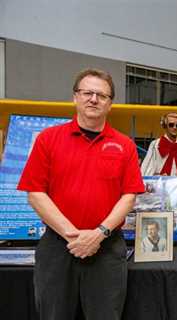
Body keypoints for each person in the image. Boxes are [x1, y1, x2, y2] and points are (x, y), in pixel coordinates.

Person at [17, 68, 145, 320]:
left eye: (102, 95)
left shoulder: (125, 145)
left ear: (110, 104)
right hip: (57, 247)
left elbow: (129, 196)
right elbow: (35, 193)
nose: (94, 99)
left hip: (106, 248)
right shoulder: (48, 139)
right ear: (75, 97)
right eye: (87, 92)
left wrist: (98, 234)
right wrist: (74, 236)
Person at [140, 112, 177, 194]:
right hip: (160, 191)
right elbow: (146, 170)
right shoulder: (155, 145)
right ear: (165, 125)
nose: (175, 128)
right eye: (171, 125)